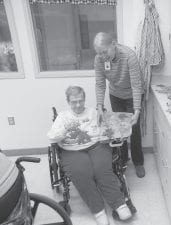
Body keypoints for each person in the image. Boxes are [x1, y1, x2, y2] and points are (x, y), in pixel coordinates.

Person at [47, 86, 132, 225]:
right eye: (74, 102)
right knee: (81, 172)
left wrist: (114, 131)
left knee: (102, 169)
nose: (78, 104)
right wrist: (64, 129)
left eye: (80, 101)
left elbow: (108, 128)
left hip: (97, 146)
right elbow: (51, 137)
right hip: (72, 149)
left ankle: (119, 205)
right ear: (68, 102)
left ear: (84, 99)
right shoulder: (62, 117)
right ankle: (98, 210)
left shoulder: (93, 112)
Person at [93, 32, 145, 178]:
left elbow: (136, 85)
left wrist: (137, 110)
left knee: (133, 129)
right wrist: (99, 106)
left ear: (114, 44)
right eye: (99, 53)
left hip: (132, 94)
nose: (103, 56)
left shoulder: (129, 56)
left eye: (105, 52)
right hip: (115, 94)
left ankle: (138, 161)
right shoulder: (99, 59)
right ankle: (122, 159)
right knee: (118, 129)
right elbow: (100, 84)